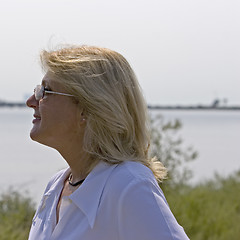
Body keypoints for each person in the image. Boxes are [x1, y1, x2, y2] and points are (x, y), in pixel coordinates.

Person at [26, 45, 189, 240]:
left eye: (46, 91)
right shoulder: (55, 187)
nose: (31, 101)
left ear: (86, 108)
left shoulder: (129, 185)